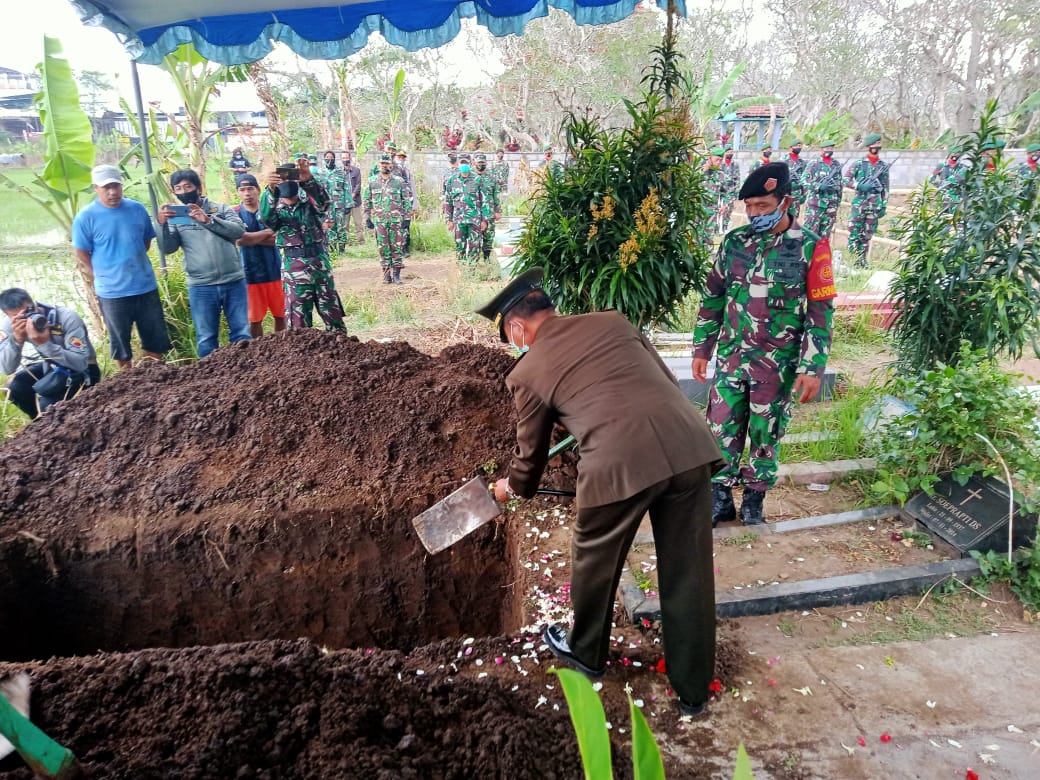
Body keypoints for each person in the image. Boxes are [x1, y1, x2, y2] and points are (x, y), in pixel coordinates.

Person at [478, 269, 722, 717]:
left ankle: (586, 650)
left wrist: (511, 487)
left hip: (619, 464)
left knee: (594, 557)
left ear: (516, 327)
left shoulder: (527, 371)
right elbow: (665, 383)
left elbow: (530, 455)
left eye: (510, 336)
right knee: (688, 571)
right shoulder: (613, 321)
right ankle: (693, 689)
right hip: (689, 446)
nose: (514, 344)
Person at [692, 162, 835, 526]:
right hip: (731, 358)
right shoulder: (734, 243)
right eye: (750, 206)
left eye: (763, 206)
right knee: (720, 428)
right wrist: (702, 349)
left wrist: (812, 367)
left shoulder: (811, 247)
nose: (755, 213)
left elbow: (820, 313)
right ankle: (720, 499)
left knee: (765, 432)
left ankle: (754, 501)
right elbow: (713, 297)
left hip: (776, 364)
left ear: (786, 202)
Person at [72, 164, 171, 369]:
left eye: (116, 186)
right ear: (96, 188)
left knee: (155, 339)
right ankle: (127, 382)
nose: (112, 192)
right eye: (106, 187)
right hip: (112, 292)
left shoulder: (137, 209)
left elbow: (145, 241)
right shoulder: (86, 217)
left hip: (145, 286)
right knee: (121, 344)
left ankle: (160, 377)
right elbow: (81, 252)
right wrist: (100, 273)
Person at [156, 169, 249, 358]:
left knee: (242, 333)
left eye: (188, 186)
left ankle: (246, 370)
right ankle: (212, 375)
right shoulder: (175, 218)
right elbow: (168, 248)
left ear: (198, 188)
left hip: (233, 281)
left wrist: (207, 220)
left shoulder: (221, 209)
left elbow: (239, 231)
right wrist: (162, 225)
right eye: (178, 188)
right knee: (206, 338)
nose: (184, 191)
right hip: (201, 286)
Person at [260, 157, 347, 330]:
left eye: (292, 178)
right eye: (283, 179)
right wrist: (270, 190)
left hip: (319, 262)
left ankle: (339, 346)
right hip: (294, 267)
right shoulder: (274, 205)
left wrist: (307, 179)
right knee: (298, 323)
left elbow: (324, 204)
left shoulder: (309, 199)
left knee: (332, 315)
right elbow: (266, 219)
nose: (288, 182)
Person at [0, 288, 100, 419]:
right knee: (14, 387)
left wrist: (44, 345)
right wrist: (17, 341)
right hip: (51, 366)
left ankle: (51, 419)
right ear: (8, 315)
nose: (27, 318)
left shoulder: (66, 317)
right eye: (20, 316)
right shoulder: (12, 325)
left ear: (34, 303)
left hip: (84, 371)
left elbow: (81, 364)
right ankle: (41, 422)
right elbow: (7, 368)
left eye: (29, 310)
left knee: (47, 406)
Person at [234, 174, 286, 337]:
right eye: (242, 190)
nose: (247, 193)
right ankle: (257, 349)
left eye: (250, 189)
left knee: (281, 314)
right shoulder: (235, 213)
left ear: (257, 190)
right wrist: (267, 232)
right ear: (238, 192)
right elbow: (240, 240)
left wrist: (250, 237)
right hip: (250, 274)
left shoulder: (269, 210)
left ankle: (282, 346)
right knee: (254, 320)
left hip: (275, 271)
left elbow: (278, 239)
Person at [843, 132, 890, 267]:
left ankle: (862, 261)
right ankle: (851, 260)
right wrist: (858, 186)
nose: (876, 146)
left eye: (878, 143)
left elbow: (886, 187)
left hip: (874, 205)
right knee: (854, 233)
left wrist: (883, 205)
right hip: (860, 204)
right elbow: (845, 180)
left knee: (867, 235)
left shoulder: (883, 166)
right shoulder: (859, 164)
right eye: (873, 144)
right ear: (868, 146)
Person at [363, 153, 410, 284]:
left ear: (391, 165)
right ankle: (386, 274)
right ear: (378, 165)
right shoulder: (372, 181)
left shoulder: (399, 181)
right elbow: (367, 200)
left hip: (396, 221)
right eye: (382, 164)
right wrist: (367, 217)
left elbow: (406, 200)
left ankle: (396, 275)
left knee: (397, 247)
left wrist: (407, 218)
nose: (385, 166)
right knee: (383, 248)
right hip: (380, 221)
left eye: (387, 163)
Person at [444, 152, 490, 265]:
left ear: (471, 164)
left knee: (475, 246)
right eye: (462, 163)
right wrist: (449, 220)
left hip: (474, 219)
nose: (464, 165)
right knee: (460, 246)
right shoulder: (452, 180)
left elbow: (484, 200)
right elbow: (448, 201)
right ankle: (462, 268)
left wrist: (484, 220)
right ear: (458, 164)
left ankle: (472, 269)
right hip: (459, 220)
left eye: (466, 163)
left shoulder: (478, 179)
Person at [801, 140, 844, 240]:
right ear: (822, 149)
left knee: (825, 236)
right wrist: (818, 186)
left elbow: (840, 184)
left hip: (831, 206)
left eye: (831, 148)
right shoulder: (814, 163)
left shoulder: (836, 164)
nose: (829, 150)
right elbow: (804, 181)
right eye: (827, 148)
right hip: (816, 206)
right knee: (810, 234)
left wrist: (838, 201)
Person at [474, 152, 501, 261]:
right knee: (474, 237)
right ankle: (474, 260)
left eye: (483, 162)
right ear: (474, 163)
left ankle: (486, 259)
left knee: (489, 237)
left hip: (489, 212)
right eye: (479, 162)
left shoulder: (491, 178)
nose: (481, 164)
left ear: (486, 163)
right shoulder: (471, 178)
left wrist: (497, 210)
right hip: (474, 213)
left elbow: (496, 195)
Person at [394, 149, 418, 257]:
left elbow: (412, 187)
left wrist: (414, 205)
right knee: (395, 226)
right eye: (399, 157)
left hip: (407, 202)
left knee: (406, 225)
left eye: (403, 157)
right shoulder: (392, 170)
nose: (401, 159)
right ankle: (395, 249)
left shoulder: (407, 171)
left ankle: (405, 248)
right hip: (395, 203)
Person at [927, 146, 967, 210]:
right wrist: (937, 184)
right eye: (954, 153)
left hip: (956, 195)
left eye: (958, 153)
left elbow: (962, 180)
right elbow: (931, 178)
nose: (956, 155)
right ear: (950, 153)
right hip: (943, 194)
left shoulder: (963, 168)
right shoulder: (941, 166)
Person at [341, 152, 366, 245]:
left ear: (350, 158)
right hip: (344, 203)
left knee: (358, 223)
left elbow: (358, 185)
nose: (345, 160)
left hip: (356, 202)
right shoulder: (339, 172)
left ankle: (361, 242)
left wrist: (353, 195)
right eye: (343, 158)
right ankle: (346, 243)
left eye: (346, 158)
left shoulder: (356, 171)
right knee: (345, 224)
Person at [702, 147, 725, 236]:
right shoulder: (699, 170)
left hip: (712, 211)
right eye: (716, 160)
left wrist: (724, 205)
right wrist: (704, 171)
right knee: (696, 238)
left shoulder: (720, 174)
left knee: (709, 237)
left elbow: (724, 192)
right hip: (699, 210)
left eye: (720, 160)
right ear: (710, 158)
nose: (718, 162)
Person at [719, 148, 741, 233]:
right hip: (721, 191)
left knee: (729, 210)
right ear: (725, 153)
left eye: (731, 152)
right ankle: (719, 227)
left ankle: (725, 227)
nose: (730, 153)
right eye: (728, 152)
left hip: (731, 191)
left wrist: (737, 192)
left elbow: (738, 178)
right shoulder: (721, 164)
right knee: (720, 210)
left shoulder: (735, 164)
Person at [786, 140, 808, 219]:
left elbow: (806, 179)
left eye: (800, 146)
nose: (798, 147)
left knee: (794, 219)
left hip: (796, 195)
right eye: (796, 146)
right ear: (791, 147)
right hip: (784, 194)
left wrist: (804, 194)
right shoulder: (783, 160)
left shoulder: (802, 163)